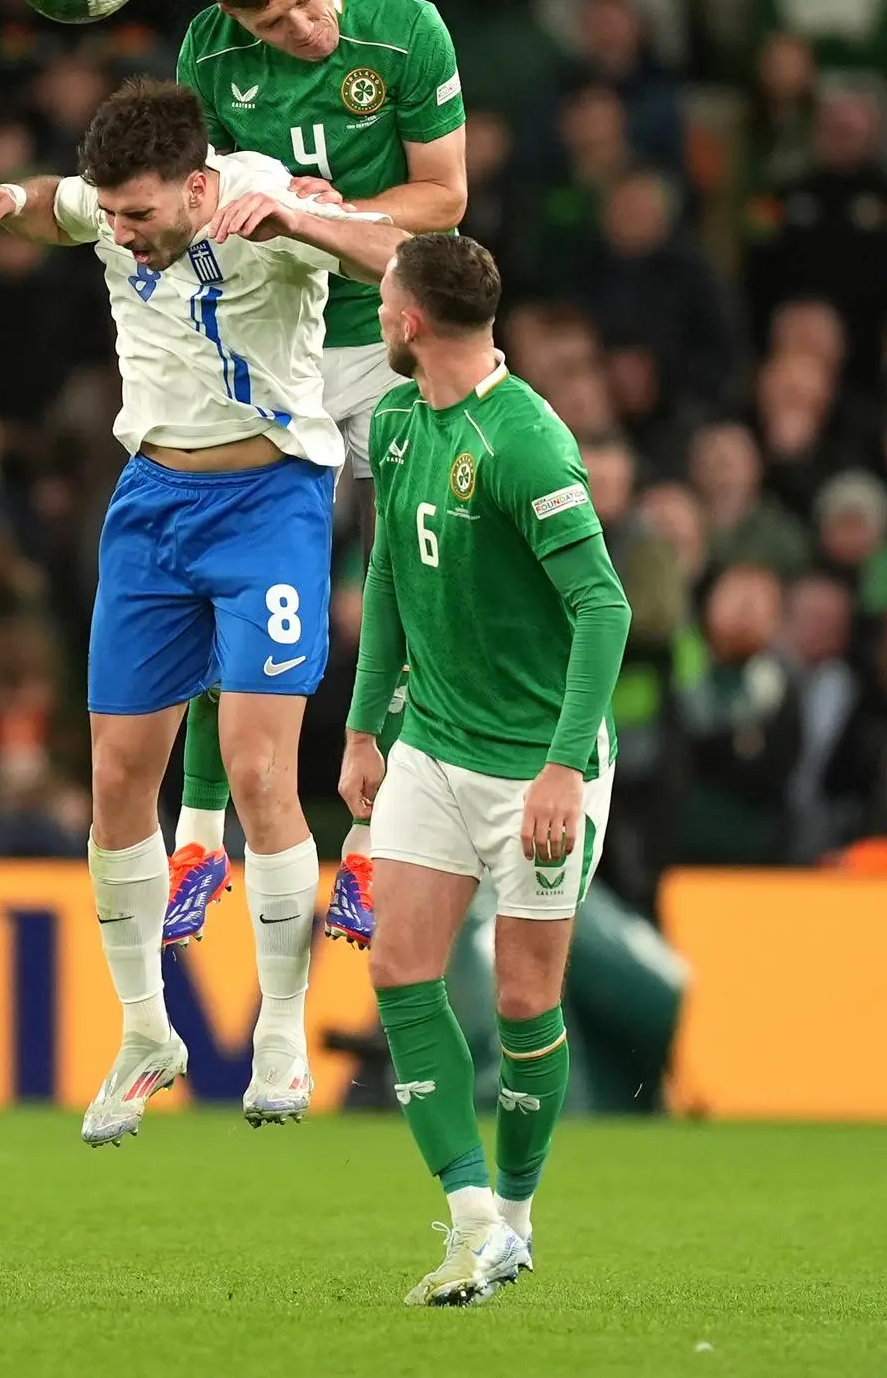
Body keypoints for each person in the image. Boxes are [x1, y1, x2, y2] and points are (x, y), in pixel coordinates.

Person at [0, 78, 409, 1146]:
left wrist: (304, 217)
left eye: (141, 215)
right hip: (150, 503)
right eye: (111, 215)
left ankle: (282, 1027)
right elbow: (47, 203)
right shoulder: (110, 210)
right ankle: (146, 1031)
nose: (122, 233)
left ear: (199, 186)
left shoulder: (267, 203)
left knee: (258, 768)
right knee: (114, 779)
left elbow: (401, 260)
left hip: (272, 504)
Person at [338, 233, 631, 1307]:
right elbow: (385, 575)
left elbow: (605, 606)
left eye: (380, 302)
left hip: (534, 769)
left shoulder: (527, 444)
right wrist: (365, 727)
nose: (375, 316)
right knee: (394, 968)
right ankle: (469, 1217)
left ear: (411, 320)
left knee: (520, 997)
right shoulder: (397, 419)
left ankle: (513, 1212)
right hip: (433, 745)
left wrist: (561, 767)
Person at [172, 0, 469, 952]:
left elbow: (441, 196)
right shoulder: (203, 55)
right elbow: (189, 203)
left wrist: (323, 211)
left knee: (408, 582)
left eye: (306, 0)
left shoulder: (405, 31)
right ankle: (197, 838)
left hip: (387, 336)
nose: (304, 29)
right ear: (230, 24)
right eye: (274, 26)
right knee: (237, 580)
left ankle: (375, 844)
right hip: (274, 346)